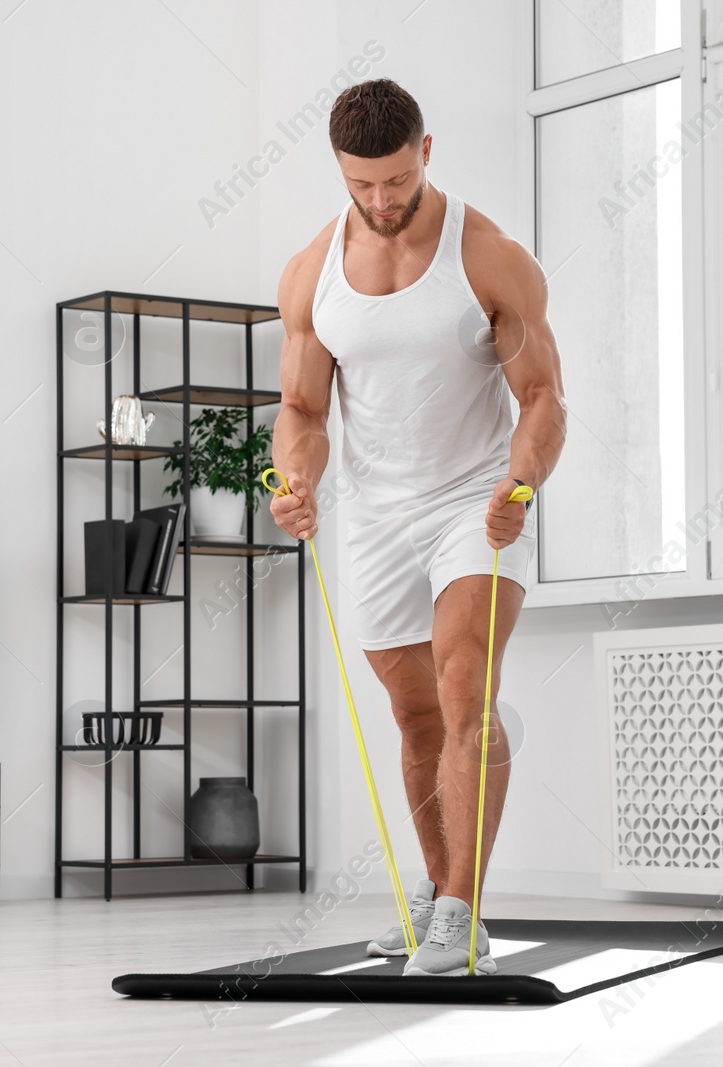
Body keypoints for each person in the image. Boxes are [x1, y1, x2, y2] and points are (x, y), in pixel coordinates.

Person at [268, 78, 567, 977]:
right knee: (413, 715)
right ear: (342, 173)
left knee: (464, 681)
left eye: (395, 180)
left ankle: (464, 910)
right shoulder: (309, 275)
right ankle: (440, 898)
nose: (382, 201)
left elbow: (545, 397)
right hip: (375, 514)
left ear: (426, 152)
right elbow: (301, 412)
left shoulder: (489, 256)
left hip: (475, 498)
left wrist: (520, 484)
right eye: (362, 185)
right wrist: (295, 480)